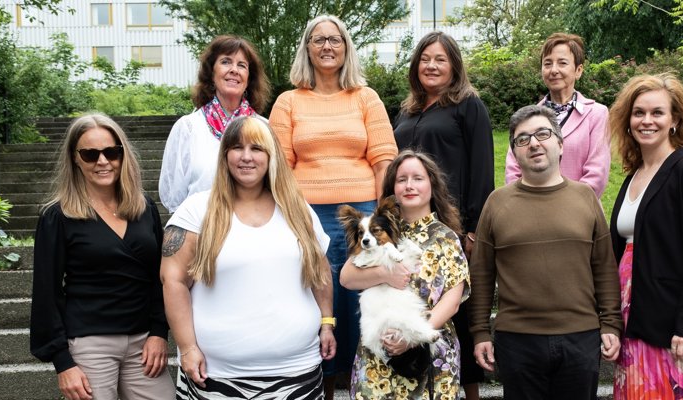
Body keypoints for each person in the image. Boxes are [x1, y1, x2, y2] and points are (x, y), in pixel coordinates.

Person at [160, 116, 336, 399]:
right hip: (217, 376)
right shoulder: (195, 211)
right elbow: (173, 281)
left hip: (297, 373)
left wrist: (327, 322)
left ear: (271, 156)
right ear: (224, 154)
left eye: (257, 148)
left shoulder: (297, 209)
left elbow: (320, 270)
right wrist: (188, 347)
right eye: (236, 147)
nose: (246, 157)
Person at [268, 14, 398, 397]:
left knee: (362, 294)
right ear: (306, 48)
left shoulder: (365, 97)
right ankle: (320, 382)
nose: (327, 46)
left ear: (346, 48)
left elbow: (383, 159)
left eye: (335, 39)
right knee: (315, 294)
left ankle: (362, 375)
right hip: (308, 215)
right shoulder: (288, 101)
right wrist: (292, 218)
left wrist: (378, 219)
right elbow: (279, 166)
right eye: (318, 39)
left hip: (361, 217)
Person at [469, 105, 622, 399]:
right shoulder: (497, 203)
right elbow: (482, 273)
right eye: (522, 139)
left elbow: (603, 266)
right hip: (518, 341)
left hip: (581, 337)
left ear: (561, 143)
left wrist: (611, 323)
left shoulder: (586, 198)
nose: (534, 143)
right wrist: (480, 332)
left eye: (542, 133)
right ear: (514, 152)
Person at [30, 113, 174, 400]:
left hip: (144, 343)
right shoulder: (57, 217)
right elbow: (46, 292)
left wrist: (159, 332)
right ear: (75, 158)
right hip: (89, 343)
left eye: (111, 152)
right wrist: (63, 363)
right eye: (90, 154)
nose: (103, 161)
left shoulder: (144, 206)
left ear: (122, 154)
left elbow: (161, 275)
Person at [392, 31, 492, 399]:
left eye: (440, 59)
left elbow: (482, 169)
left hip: (451, 226)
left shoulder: (468, 105)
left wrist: (471, 229)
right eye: (425, 59)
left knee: (457, 310)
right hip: (408, 225)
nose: (431, 66)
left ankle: (468, 392)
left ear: (454, 66)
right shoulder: (407, 110)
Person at [608, 73, 683, 399]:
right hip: (634, 318)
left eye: (657, 113)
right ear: (628, 121)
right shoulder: (633, 177)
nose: (646, 120)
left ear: (675, 120)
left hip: (675, 324)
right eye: (638, 112)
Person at [340, 150, 469, 399]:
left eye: (417, 178)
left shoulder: (446, 237)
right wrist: (385, 274)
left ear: (432, 183)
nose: (409, 185)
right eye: (401, 179)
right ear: (392, 188)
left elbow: (452, 301)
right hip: (381, 352)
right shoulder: (378, 229)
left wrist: (411, 337)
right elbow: (347, 277)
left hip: (426, 349)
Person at [160, 34, 270, 213]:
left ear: (249, 78)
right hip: (201, 230)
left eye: (241, 65)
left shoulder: (265, 128)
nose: (234, 70)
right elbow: (173, 197)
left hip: (252, 229)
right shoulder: (188, 128)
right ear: (211, 73)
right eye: (226, 62)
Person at [504, 32, 610, 197]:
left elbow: (597, 173)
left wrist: (562, 205)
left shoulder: (596, 114)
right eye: (547, 63)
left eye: (562, 63)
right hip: (531, 210)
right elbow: (513, 169)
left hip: (579, 212)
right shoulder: (526, 116)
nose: (553, 70)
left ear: (578, 70)